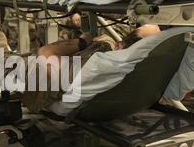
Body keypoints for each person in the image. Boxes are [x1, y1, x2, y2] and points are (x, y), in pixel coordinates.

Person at [22, 24, 161, 113]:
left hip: (38, 76)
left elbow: (45, 53)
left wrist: (82, 42)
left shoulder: (102, 65)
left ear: (120, 43)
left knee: (8, 63)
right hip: (69, 74)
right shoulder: (150, 69)